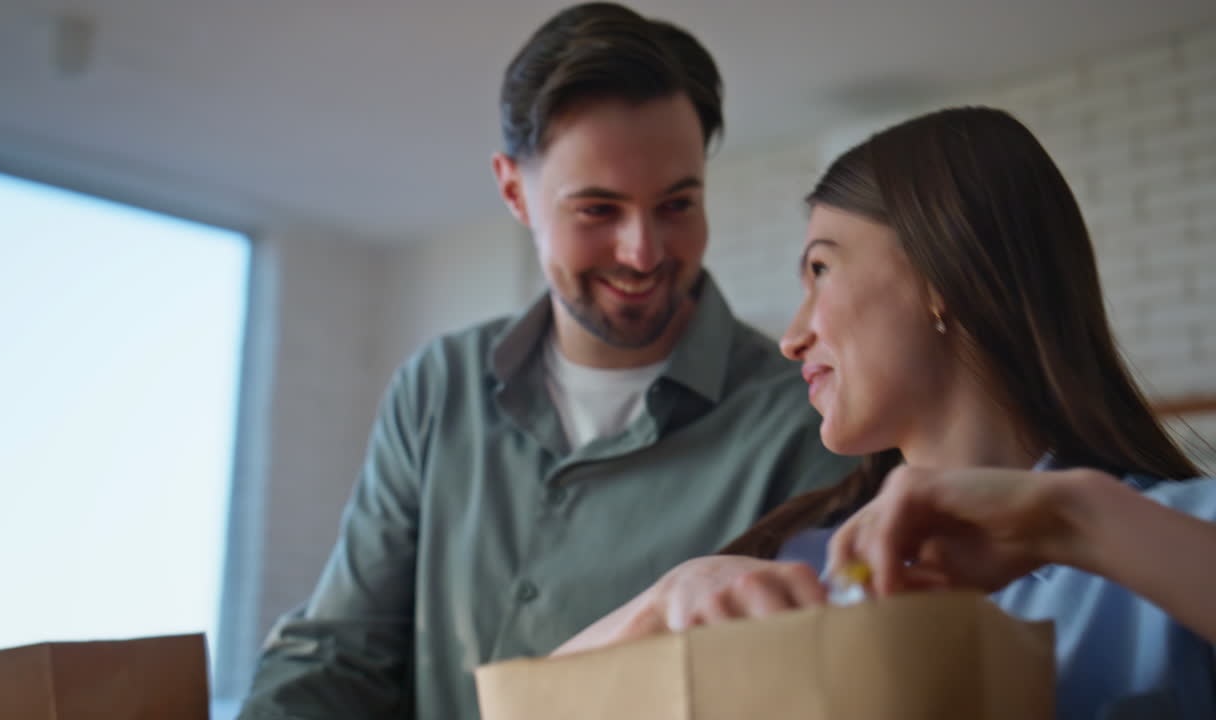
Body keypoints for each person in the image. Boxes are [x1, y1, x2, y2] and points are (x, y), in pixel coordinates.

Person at [236, 4, 856, 718]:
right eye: (598, 210)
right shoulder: (438, 389)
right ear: (513, 191)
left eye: (677, 205)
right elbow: (344, 651)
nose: (643, 252)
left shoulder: (807, 419)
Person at [552, 106, 1216, 719]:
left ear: (942, 276)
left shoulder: (1176, 535)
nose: (792, 336)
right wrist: (668, 596)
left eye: (820, 271)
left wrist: (1070, 518)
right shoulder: (793, 567)